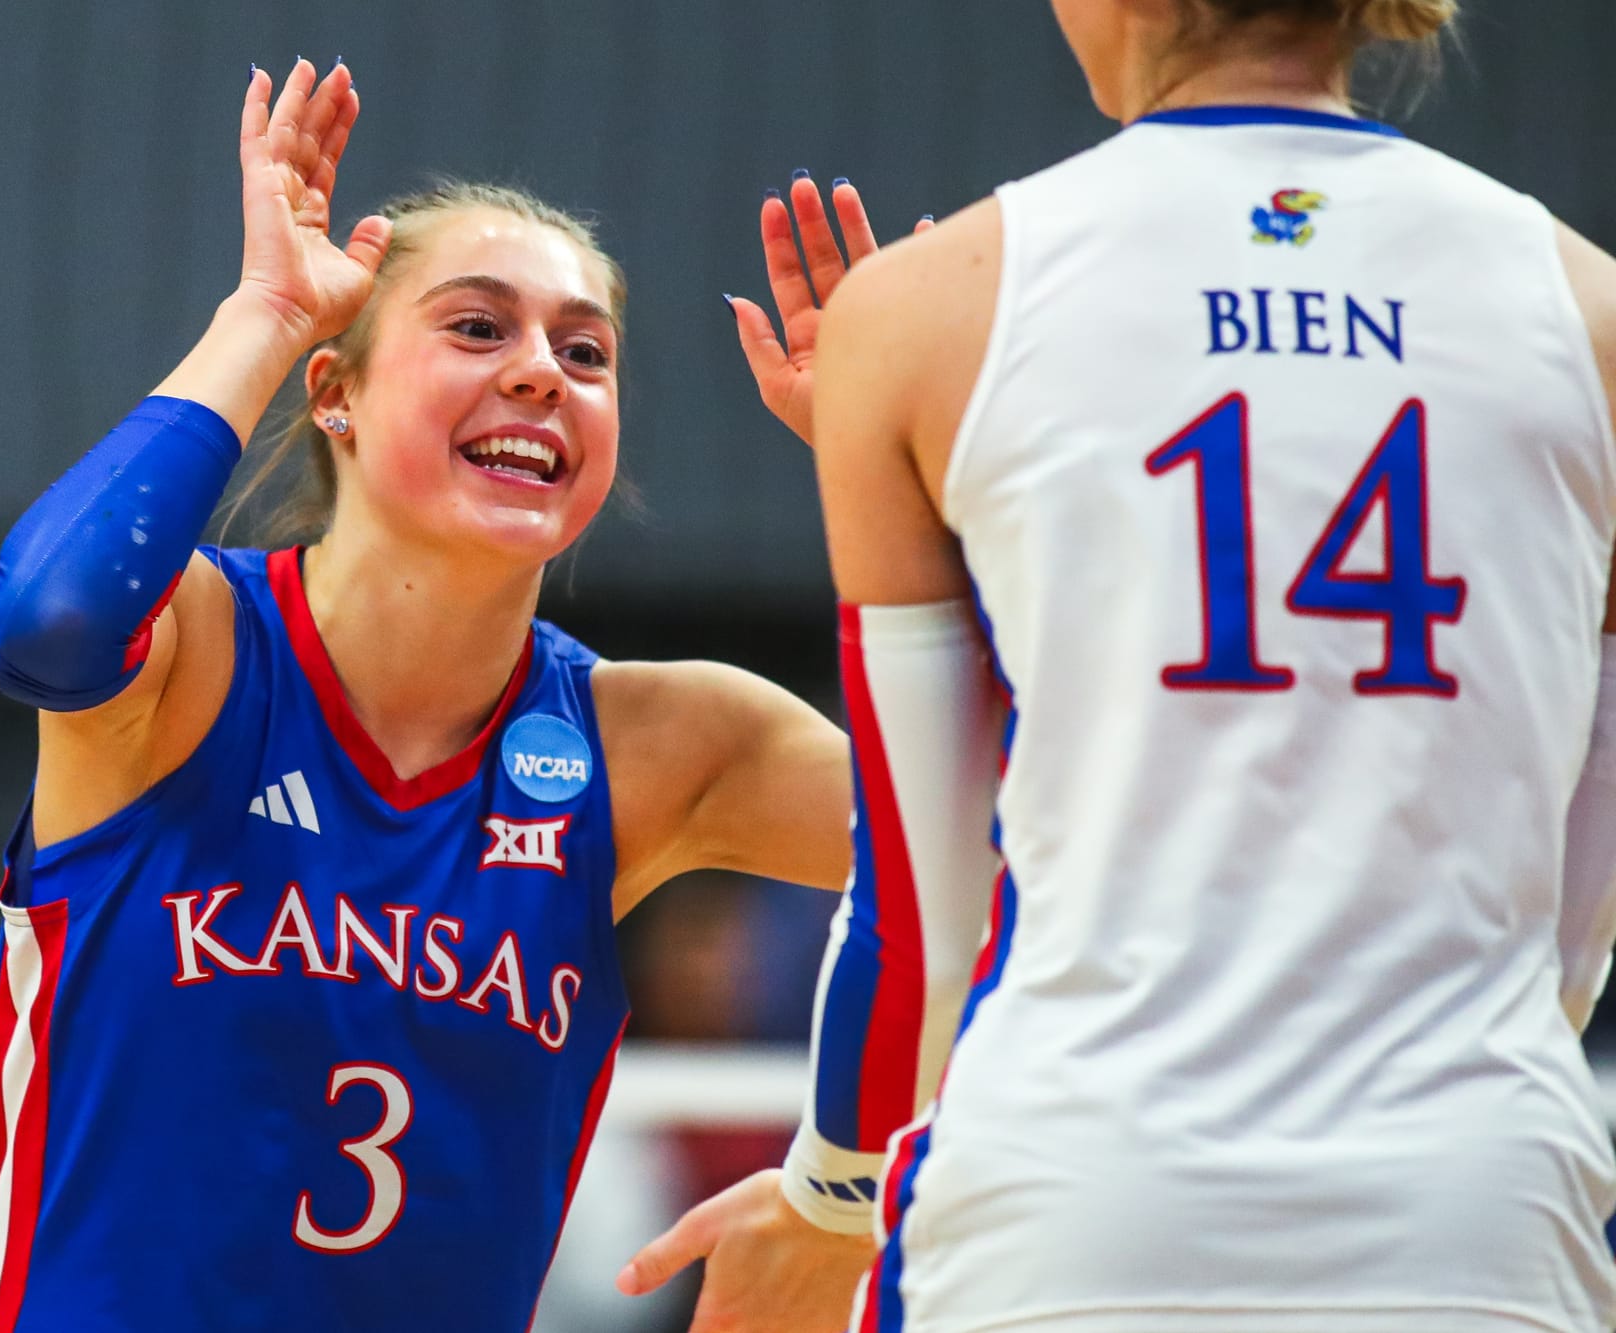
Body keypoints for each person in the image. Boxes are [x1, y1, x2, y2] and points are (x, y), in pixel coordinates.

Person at [621, 2, 1616, 1331]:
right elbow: (1579, 888)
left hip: (1080, 1189)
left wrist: (830, 1198)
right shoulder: (1588, 305)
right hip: (1480, 1196)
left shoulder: (927, 306)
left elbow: (922, 917)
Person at [0, 58, 898, 1331]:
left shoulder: (657, 742)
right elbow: (43, 623)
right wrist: (266, 313)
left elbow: (1029, 831)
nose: (541, 372)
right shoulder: (195, 646)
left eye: (584, 352)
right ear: (334, 393)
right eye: (476, 328)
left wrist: (898, 474)